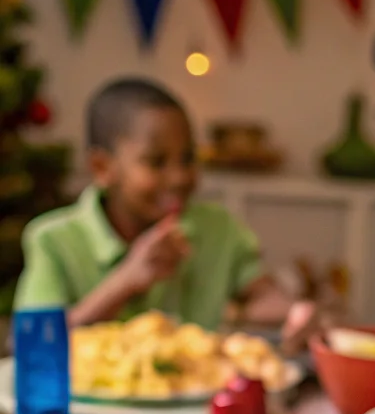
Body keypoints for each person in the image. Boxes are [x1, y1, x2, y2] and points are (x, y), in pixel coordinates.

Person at [14, 77, 313, 342]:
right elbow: (29, 345)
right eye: (156, 162)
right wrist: (126, 281)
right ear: (102, 167)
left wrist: (294, 311)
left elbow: (259, 295)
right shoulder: (52, 240)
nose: (180, 177)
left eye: (187, 159)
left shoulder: (218, 228)